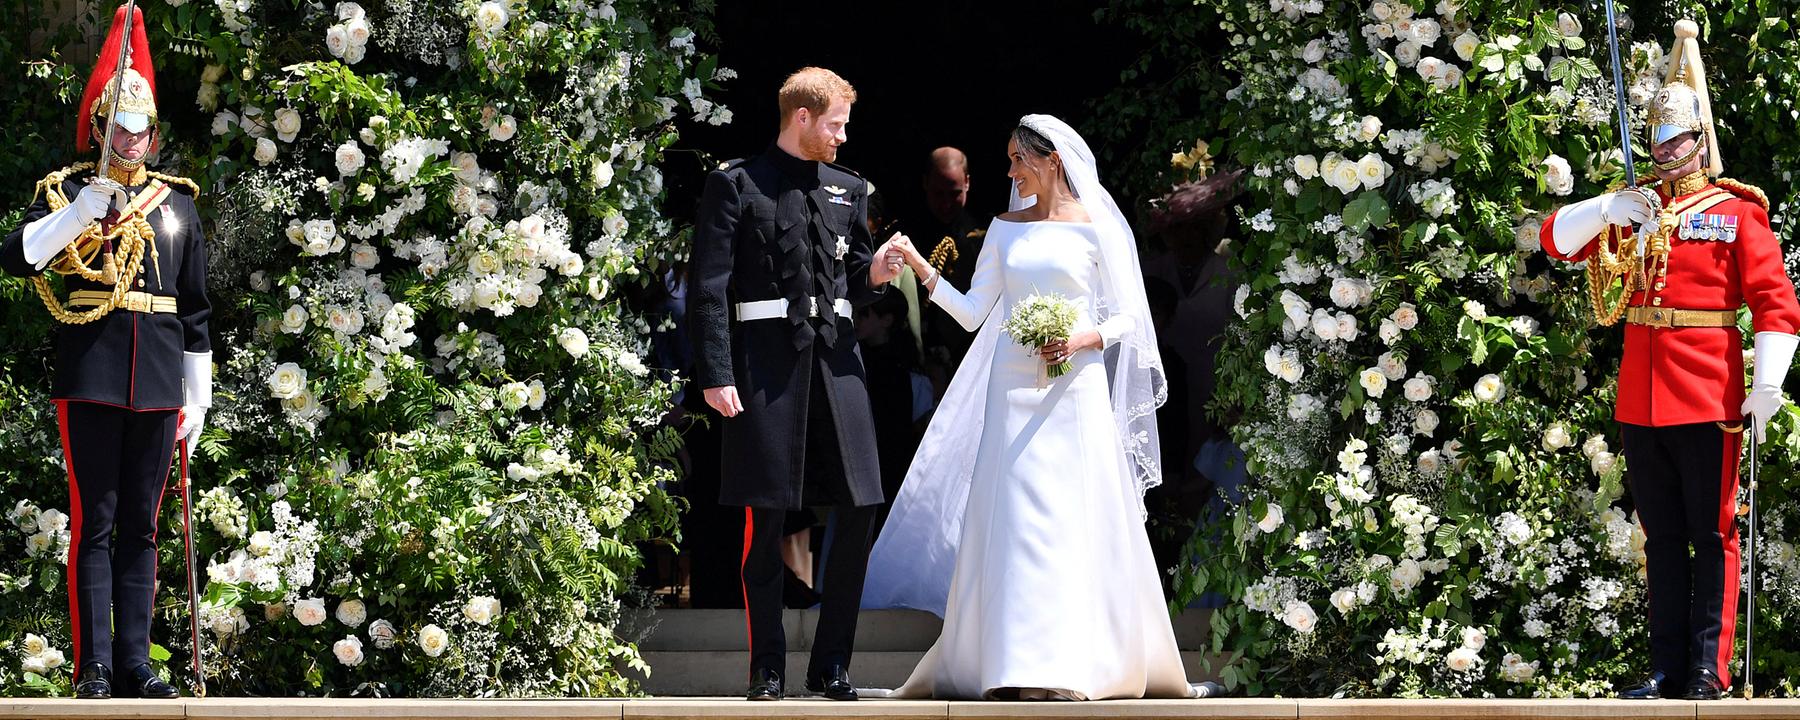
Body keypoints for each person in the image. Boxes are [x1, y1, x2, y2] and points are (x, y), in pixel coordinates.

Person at [864, 115, 1209, 700]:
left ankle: (1076, 664)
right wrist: (923, 268)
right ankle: (1012, 664)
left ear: (1049, 159)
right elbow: (974, 313)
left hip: (1074, 387)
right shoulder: (1003, 227)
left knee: (1071, 515)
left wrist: (1082, 339)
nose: (1008, 171)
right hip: (1012, 387)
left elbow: (1130, 315)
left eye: (1016, 159)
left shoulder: (1097, 227)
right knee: (1018, 518)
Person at [1539, 20, 1799, 701]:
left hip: (1708, 394)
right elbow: (1555, 242)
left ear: (1699, 141)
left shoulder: (1738, 214)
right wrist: (1607, 205)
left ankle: (1706, 672)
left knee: (1711, 536)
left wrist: (1766, 383)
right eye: (1656, 140)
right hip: (1642, 398)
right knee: (1660, 539)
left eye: (1676, 139)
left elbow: (1776, 303)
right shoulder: (1636, 206)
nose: (1665, 150)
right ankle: (1665, 668)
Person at [0, 5, 211, 700]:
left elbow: (195, 308)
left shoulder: (176, 206)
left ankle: (136, 665)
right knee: (95, 522)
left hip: (156, 381)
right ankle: (92, 668)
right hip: (91, 371)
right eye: (120, 126)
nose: (132, 138)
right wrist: (80, 212)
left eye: (142, 128)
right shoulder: (66, 192)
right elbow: (20, 257)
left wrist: (197, 395)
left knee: (143, 529)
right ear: (99, 128)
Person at [687, 66, 904, 701]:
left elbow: (857, 274)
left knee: (862, 503)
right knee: (767, 512)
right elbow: (709, 289)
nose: (842, 135)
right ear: (802, 118)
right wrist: (717, 374)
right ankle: (768, 668)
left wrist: (881, 270)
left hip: (838, 365)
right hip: (765, 365)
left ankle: (833, 662)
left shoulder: (848, 188)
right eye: (835, 124)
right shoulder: (735, 184)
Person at [906, 147, 990, 388]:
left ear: (967, 183)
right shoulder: (908, 233)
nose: (945, 204)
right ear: (925, 184)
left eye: (953, 194)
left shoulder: (986, 234)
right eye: (938, 194)